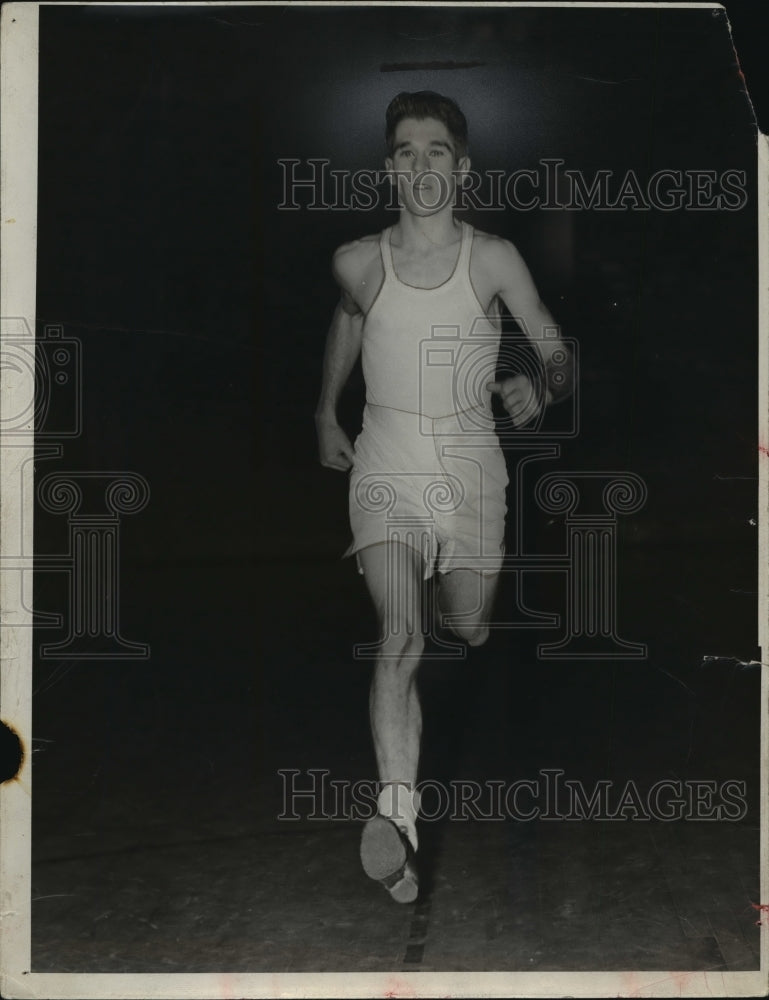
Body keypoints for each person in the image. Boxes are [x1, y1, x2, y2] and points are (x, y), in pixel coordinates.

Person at [314, 91, 573, 903]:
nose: (418, 164)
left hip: (469, 466)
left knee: (466, 623)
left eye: (434, 151)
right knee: (400, 635)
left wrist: (542, 386)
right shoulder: (356, 259)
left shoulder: (492, 258)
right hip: (386, 460)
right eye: (402, 150)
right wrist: (325, 409)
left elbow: (555, 348)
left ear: (460, 168)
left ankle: (455, 602)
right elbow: (351, 319)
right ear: (387, 167)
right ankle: (396, 819)